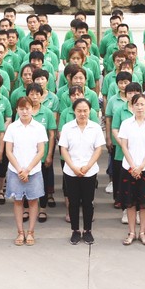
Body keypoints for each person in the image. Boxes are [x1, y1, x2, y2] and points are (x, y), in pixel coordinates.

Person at [59, 97, 107, 245]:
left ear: (90, 111)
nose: (82, 114)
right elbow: (63, 149)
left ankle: (87, 231)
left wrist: (87, 166)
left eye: (85, 110)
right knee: (73, 202)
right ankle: (75, 231)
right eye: (79, 111)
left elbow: (98, 149)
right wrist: (73, 167)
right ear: (74, 111)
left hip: (89, 171)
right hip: (71, 171)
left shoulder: (95, 128)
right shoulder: (67, 127)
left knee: (88, 202)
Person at [4, 97, 49, 246]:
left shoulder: (39, 127)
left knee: (33, 201)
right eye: (21, 108)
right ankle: (20, 232)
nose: (24, 111)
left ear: (32, 109)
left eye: (27, 108)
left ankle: (31, 232)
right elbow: (8, 151)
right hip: (15, 170)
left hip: (33, 170)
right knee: (18, 201)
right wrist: (19, 170)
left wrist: (28, 169)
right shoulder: (12, 127)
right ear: (17, 110)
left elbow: (41, 151)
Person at [117, 92, 145, 246]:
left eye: (142, 104)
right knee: (130, 203)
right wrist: (133, 166)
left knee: (144, 203)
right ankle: (131, 232)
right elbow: (124, 146)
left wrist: (141, 166)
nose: (139, 107)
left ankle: (142, 232)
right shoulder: (126, 124)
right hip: (128, 168)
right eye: (136, 104)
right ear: (132, 106)